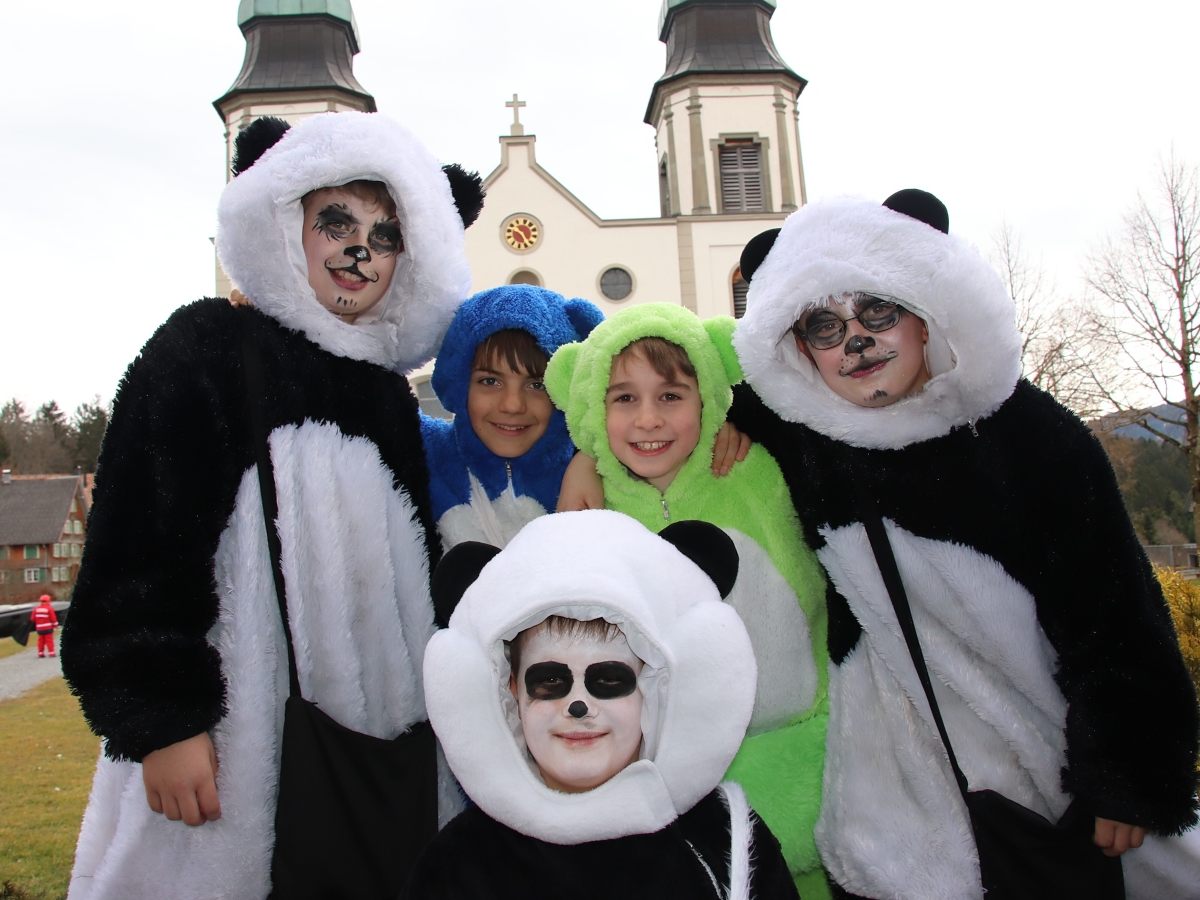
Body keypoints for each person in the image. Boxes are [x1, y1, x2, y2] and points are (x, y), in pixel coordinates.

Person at [59, 111, 483, 900]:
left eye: (386, 235)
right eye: (336, 222)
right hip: (231, 733)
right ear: (289, 223)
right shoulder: (210, 346)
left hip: (374, 749)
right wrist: (162, 718)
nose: (359, 250)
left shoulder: (388, 394)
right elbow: (140, 541)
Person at [730, 189, 1200, 898]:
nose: (856, 341)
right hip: (893, 801)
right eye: (823, 326)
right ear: (798, 349)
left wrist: (1127, 773)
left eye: (878, 311)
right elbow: (677, 396)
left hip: (1044, 781)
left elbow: (1114, 612)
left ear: (924, 312)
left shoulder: (1024, 435)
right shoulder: (804, 438)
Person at [544, 303, 833, 898]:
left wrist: (744, 419)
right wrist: (587, 459)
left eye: (672, 395)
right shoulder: (590, 509)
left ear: (707, 395)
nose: (648, 419)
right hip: (660, 797)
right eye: (623, 398)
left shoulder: (756, 466)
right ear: (592, 406)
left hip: (801, 763)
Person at [407, 509, 799, 899]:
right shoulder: (460, 866)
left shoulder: (728, 842)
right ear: (511, 692)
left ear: (652, 689)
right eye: (550, 680)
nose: (578, 705)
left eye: (609, 680)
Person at [421, 284, 603, 550]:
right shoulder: (424, 456)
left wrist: (591, 458)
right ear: (459, 383)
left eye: (537, 385)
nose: (512, 405)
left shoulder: (606, 471)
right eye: (490, 381)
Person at [30, 594, 58, 658]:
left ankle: (40, 653)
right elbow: (53, 618)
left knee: (40, 641)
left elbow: (32, 619)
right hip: (48, 628)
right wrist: (55, 625)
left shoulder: (36, 609)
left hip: (39, 629)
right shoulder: (49, 608)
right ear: (48, 601)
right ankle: (51, 653)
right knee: (49, 641)